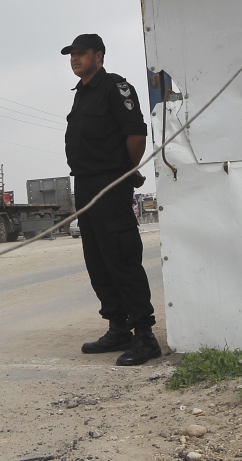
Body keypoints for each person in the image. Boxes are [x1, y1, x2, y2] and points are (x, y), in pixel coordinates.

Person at [63, 33, 161, 366]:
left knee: (122, 257)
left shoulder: (116, 88)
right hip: (85, 186)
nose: (75, 58)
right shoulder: (81, 94)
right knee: (98, 260)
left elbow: (136, 133)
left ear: (99, 56)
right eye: (72, 54)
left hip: (110, 184)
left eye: (81, 53)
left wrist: (126, 171)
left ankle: (144, 336)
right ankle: (118, 327)